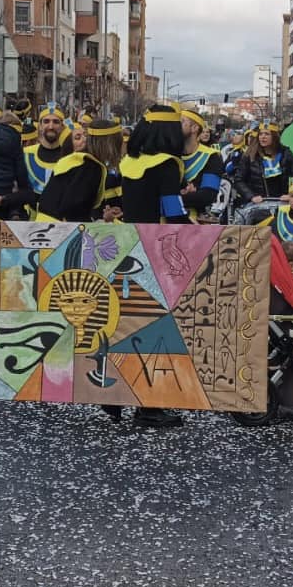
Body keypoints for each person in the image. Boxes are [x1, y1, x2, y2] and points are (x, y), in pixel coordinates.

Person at [109, 104, 189, 428]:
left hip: (127, 244)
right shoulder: (168, 164)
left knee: (125, 324)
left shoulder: (129, 163)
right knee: (155, 330)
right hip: (156, 248)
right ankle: (150, 407)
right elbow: (173, 211)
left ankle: (114, 398)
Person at [36, 120, 120, 223]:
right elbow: (73, 208)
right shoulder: (91, 166)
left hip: (43, 225)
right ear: (107, 144)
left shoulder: (76, 161)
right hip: (59, 230)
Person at [235, 120, 293, 205]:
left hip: (282, 202)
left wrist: (292, 194)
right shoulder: (250, 155)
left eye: (267, 134)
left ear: (274, 136)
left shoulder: (285, 153)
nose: (263, 137)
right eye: (261, 134)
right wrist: (251, 196)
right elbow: (239, 180)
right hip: (258, 203)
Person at [179, 109, 224, 222]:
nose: (175, 126)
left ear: (194, 128)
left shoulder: (212, 157)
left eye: (181, 122)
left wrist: (172, 197)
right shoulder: (169, 154)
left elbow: (208, 195)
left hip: (196, 220)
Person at [23, 103, 66, 203]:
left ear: (62, 126)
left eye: (56, 122)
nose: (51, 126)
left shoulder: (70, 156)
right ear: (40, 126)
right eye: (46, 121)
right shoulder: (26, 154)